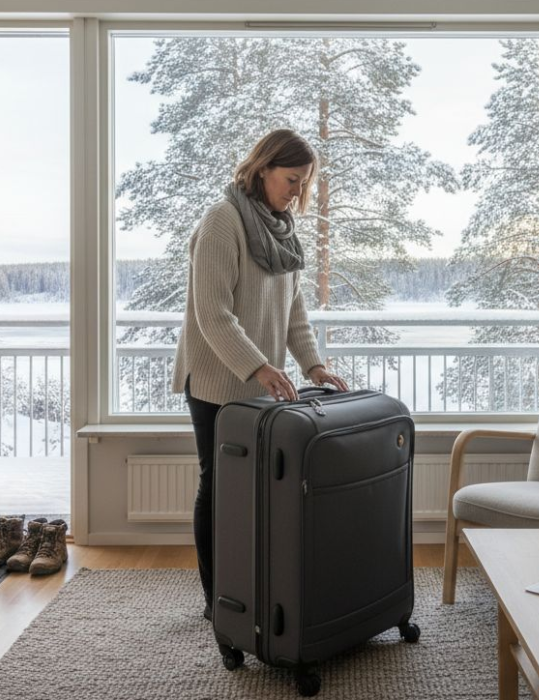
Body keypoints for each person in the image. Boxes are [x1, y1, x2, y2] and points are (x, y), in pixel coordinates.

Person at [171, 129, 348, 620]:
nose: (297, 191)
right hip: (215, 380)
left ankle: (251, 588)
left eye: (304, 183)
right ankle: (217, 600)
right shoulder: (222, 221)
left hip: (259, 381)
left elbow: (294, 314)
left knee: (254, 493)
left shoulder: (281, 230)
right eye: (292, 179)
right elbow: (212, 313)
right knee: (220, 486)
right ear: (263, 168)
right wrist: (259, 366)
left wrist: (313, 364)